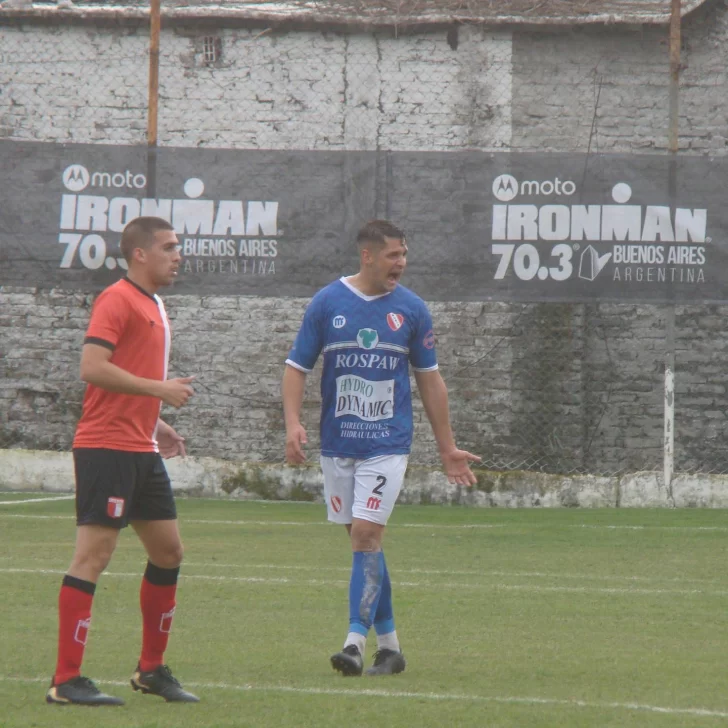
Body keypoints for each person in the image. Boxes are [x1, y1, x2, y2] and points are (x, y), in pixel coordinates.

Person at [282, 219, 480, 677]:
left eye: (405, 254)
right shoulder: (327, 303)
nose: (402, 263)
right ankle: (390, 648)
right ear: (367, 255)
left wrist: (447, 448)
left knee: (367, 536)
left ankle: (352, 644)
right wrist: (293, 424)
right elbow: (296, 367)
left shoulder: (412, 310)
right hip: (337, 444)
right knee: (362, 544)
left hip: (387, 445)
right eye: (394, 255)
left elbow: (430, 380)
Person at [46, 216, 200, 706]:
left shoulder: (153, 304)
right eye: (169, 247)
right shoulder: (117, 298)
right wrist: (159, 390)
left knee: (169, 553)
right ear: (140, 254)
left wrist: (156, 420)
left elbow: (126, 377)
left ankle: (150, 671)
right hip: (106, 448)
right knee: (94, 557)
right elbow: (92, 368)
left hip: (140, 447)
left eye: (179, 247)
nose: (178, 255)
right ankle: (65, 681)